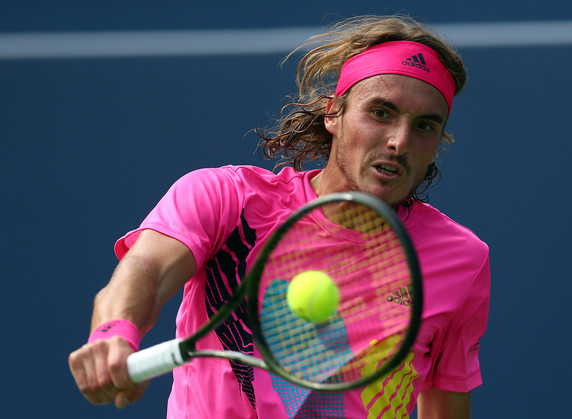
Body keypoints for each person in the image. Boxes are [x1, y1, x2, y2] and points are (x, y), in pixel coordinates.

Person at [68, 14, 490, 418]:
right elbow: (146, 266)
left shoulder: (461, 259)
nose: (399, 141)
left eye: (425, 126)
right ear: (333, 114)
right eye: (380, 113)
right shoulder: (226, 198)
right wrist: (113, 333)